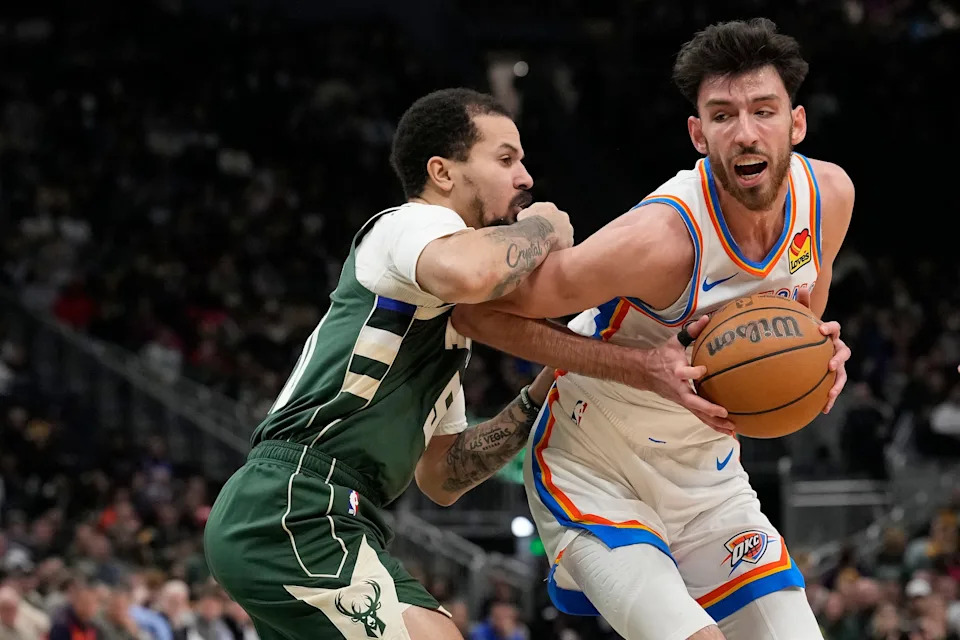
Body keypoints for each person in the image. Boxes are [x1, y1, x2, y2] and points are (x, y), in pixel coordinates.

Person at [453, 18, 854, 639]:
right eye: (723, 116)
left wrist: (822, 358)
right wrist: (640, 367)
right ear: (699, 134)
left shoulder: (828, 197)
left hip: (709, 481)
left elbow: (804, 321)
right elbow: (477, 312)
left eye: (763, 110)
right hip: (596, 468)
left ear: (795, 123)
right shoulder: (659, 240)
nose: (746, 132)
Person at [203, 88, 580, 640]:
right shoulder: (409, 225)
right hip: (295, 503)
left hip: (335, 512)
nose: (525, 177)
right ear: (442, 172)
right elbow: (471, 272)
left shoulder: (436, 330)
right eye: (505, 159)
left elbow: (443, 476)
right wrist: (542, 226)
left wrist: (539, 393)